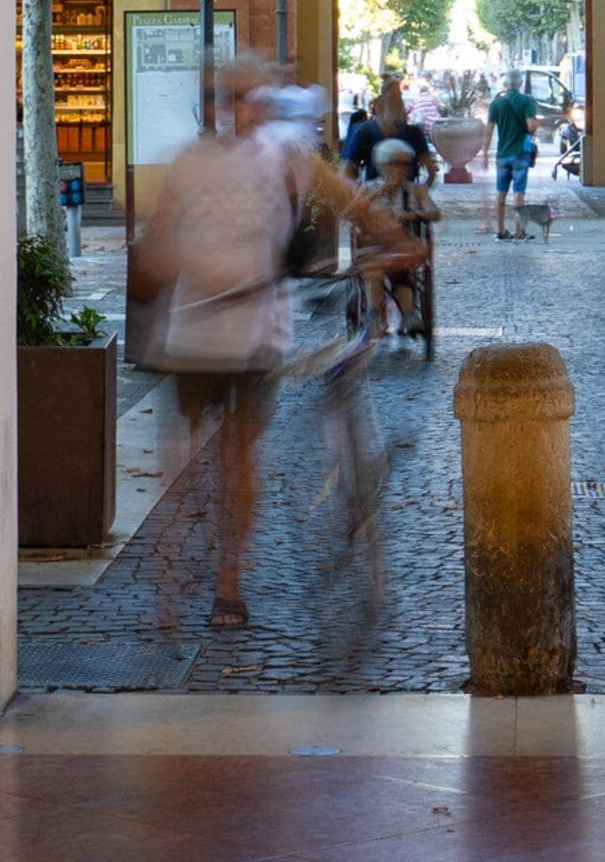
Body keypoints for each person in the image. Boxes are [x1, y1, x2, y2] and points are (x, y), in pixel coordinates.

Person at [128, 60, 350, 630]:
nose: (236, 108)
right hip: (194, 331)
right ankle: (170, 573)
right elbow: (157, 242)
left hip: (254, 332)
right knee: (184, 463)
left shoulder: (288, 158)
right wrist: (173, 262)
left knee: (239, 461)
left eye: (249, 96)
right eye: (225, 97)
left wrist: (395, 239)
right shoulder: (188, 162)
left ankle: (228, 580)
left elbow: (352, 202)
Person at [345, 137, 439, 342]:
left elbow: (434, 213)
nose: (402, 169)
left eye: (405, 164)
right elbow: (348, 213)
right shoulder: (368, 188)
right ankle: (373, 316)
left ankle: (409, 315)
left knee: (400, 271)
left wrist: (411, 214)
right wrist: (371, 197)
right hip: (372, 247)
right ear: (382, 166)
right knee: (373, 270)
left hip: (402, 248)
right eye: (396, 163)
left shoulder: (415, 190)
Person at [485, 76, 541, 239]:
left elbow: (488, 130)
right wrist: (534, 126)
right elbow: (531, 126)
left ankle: (501, 231)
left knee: (500, 192)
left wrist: (484, 153)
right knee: (519, 193)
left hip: (502, 155)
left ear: (504, 85)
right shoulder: (526, 101)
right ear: (520, 84)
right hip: (520, 154)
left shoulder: (496, 103)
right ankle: (518, 231)